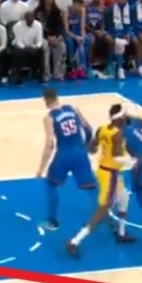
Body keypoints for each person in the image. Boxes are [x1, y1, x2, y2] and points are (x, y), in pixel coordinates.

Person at [67, 103, 136, 258]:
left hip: (103, 171)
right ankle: (74, 241)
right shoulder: (118, 134)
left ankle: (121, 233)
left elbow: (92, 149)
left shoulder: (102, 129)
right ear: (121, 118)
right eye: (125, 116)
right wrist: (132, 161)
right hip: (111, 175)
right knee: (102, 210)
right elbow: (117, 157)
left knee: (124, 198)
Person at [37, 88, 96, 230]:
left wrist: (41, 169)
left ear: (45, 100)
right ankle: (103, 217)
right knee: (91, 187)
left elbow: (50, 144)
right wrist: (87, 145)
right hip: (80, 153)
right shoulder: (72, 108)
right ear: (57, 97)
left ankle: (52, 222)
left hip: (64, 155)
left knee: (51, 184)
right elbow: (88, 129)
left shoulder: (49, 118)